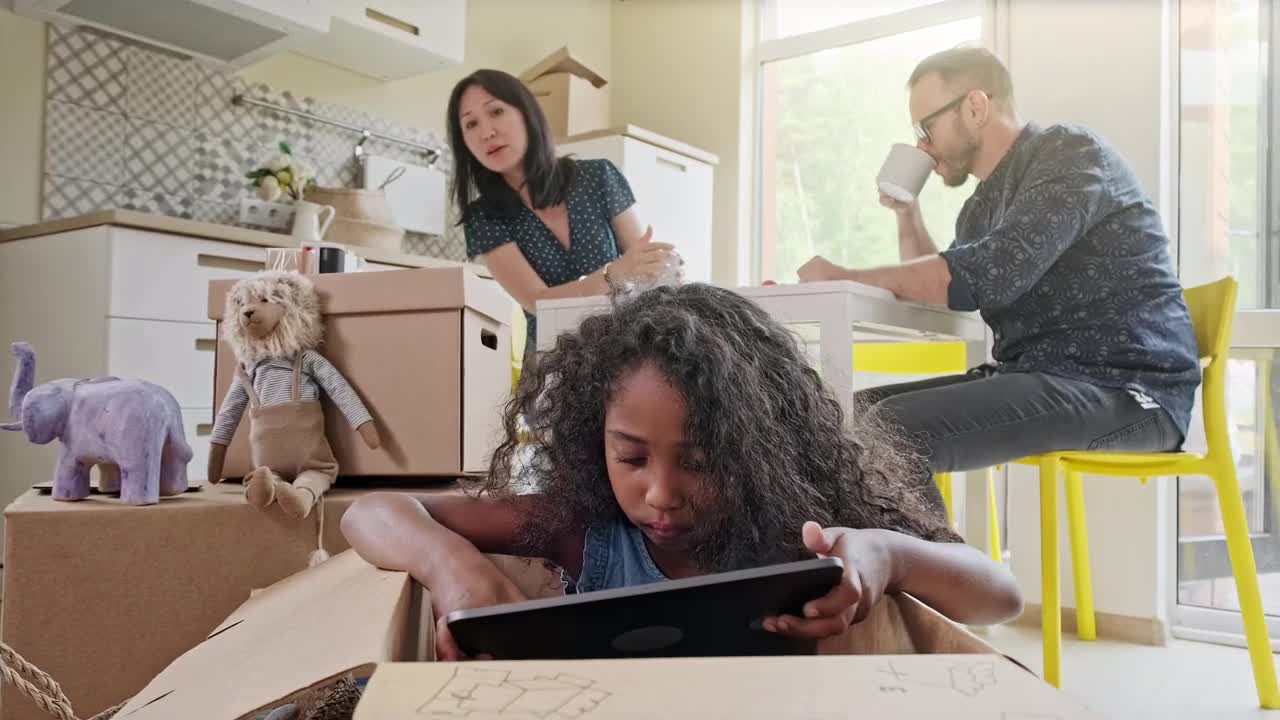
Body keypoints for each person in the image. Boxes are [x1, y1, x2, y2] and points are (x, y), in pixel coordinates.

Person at [341, 283, 1023, 660]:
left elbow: (1000, 597)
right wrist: (455, 569)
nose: (661, 495)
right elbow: (367, 512)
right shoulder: (582, 531)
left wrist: (885, 556)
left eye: (701, 461)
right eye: (631, 458)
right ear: (593, 439)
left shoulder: (800, 539)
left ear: (758, 449)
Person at [797, 47, 1201, 477]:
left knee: (892, 431)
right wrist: (907, 214)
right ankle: (863, 544)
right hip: (1044, 375)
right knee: (842, 413)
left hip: (1129, 391)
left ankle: (928, 547)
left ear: (975, 107)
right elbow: (945, 290)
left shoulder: (1070, 153)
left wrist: (842, 275)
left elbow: (986, 275)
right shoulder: (979, 210)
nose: (922, 146)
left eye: (925, 127)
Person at [447, 69, 681, 360]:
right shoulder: (484, 217)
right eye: (470, 124)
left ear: (527, 113)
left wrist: (661, 263)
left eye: (496, 111)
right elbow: (537, 301)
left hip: (629, 350)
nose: (486, 132)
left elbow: (644, 263)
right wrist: (613, 274)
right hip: (554, 359)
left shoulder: (598, 177)